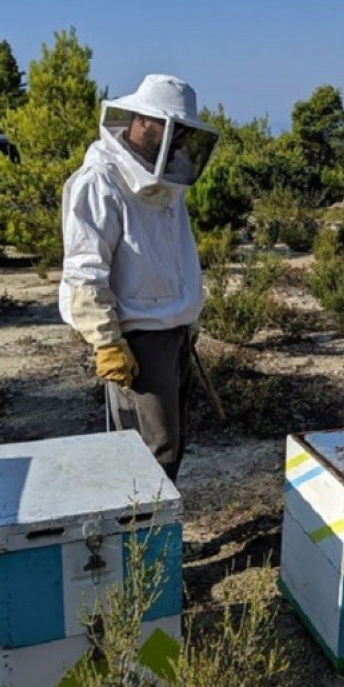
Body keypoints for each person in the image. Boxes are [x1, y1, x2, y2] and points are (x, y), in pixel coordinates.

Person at [58, 73, 219, 482]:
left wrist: (188, 315)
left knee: (172, 443)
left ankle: (154, 534)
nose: (180, 140)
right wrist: (108, 342)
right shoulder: (101, 181)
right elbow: (85, 270)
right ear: (144, 121)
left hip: (173, 331)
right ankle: (140, 541)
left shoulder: (168, 180)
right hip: (137, 337)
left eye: (183, 131)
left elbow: (173, 255)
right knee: (150, 449)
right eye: (173, 129)